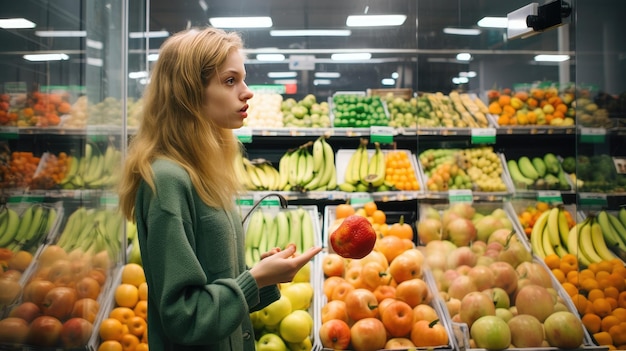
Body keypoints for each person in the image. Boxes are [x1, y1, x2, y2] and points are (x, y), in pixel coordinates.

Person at [117, 26, 322, 351]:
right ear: (188, 93)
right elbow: (184, 317)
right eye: (230, 81)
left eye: (242, 78)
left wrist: (263, 278)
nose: (247, 92)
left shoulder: (204, 172)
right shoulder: (168, 180)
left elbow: (216, 286)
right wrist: (254, 279)